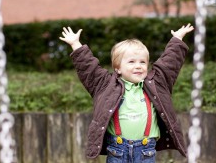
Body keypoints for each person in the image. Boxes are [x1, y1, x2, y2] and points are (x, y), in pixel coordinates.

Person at [59, 23, 194, 162]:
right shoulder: (105, 85)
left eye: (142, 62)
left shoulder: (157, 83)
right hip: (117, 150)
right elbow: (88, 68)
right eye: (131, 62)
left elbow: (169, 63)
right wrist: (76, 44)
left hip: (146, 151)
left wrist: (177, 39)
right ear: (118, 68)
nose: (138, 66)